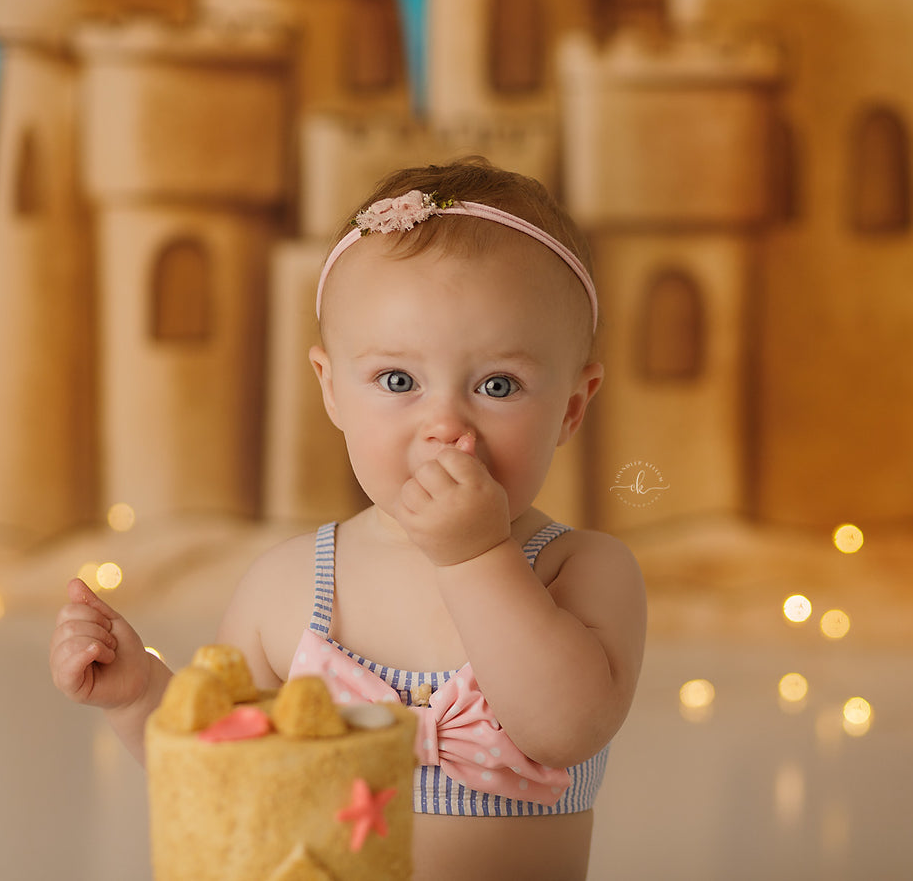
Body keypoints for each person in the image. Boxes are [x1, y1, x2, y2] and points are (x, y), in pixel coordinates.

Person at [49, 158, 647, 880]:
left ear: (572, 408)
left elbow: (563, 729)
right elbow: (231, 766)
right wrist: (139, 693)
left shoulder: (578, 570)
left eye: (497, 385)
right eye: (398, 380)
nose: (445, 426)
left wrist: (475, 556)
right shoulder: (289, 585)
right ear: (331, 388)